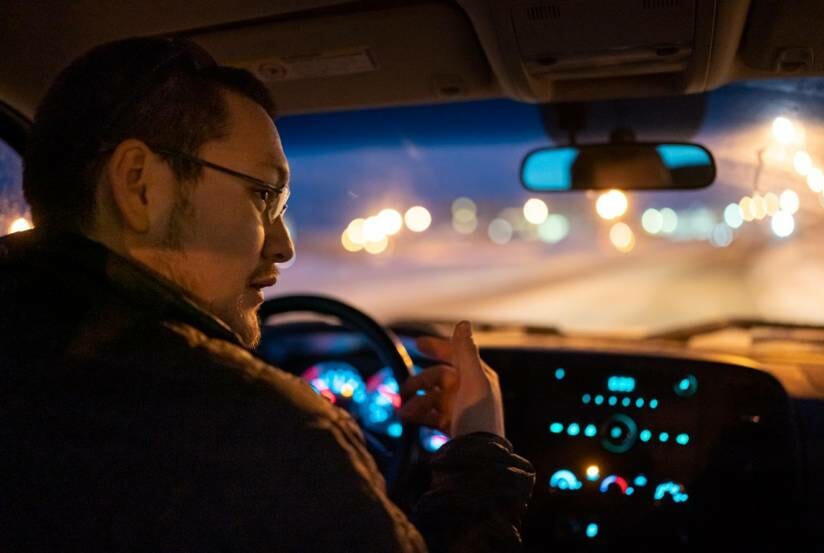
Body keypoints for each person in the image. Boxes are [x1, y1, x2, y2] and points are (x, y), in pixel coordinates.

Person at [0, 37, 534, 552]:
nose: (283, 247)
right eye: (263, 195)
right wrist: (479, 457)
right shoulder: (261, 434)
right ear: (140, 184)